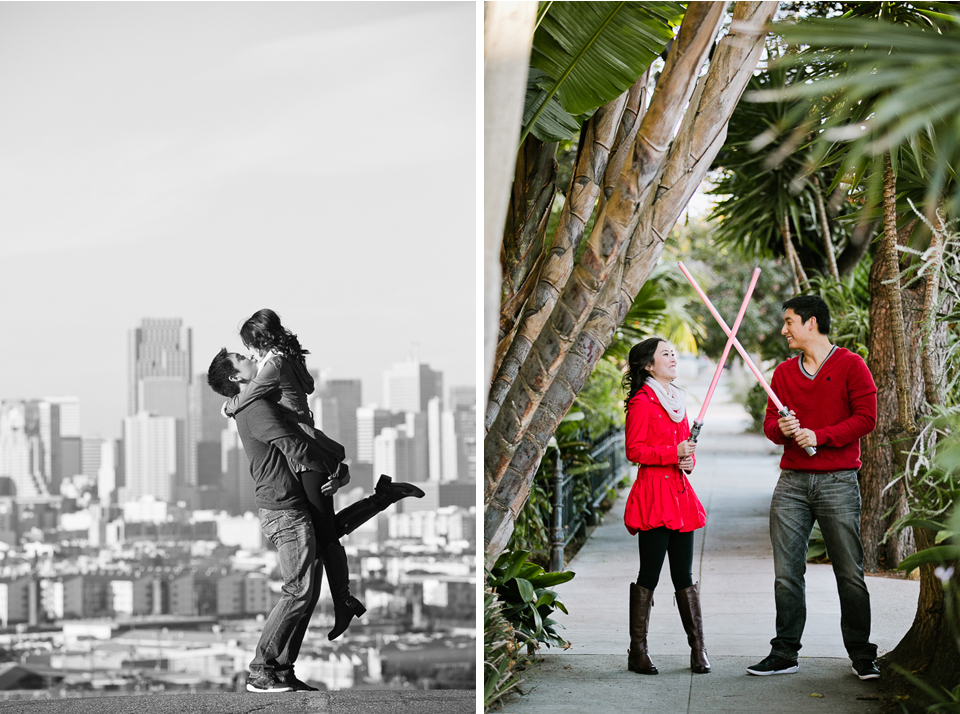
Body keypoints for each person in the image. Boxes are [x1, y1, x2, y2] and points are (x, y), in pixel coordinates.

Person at [207, 349, 421, 692]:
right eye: (240, 357)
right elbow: (292, 444)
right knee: (298, 591)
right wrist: (333, 466)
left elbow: (301, 429)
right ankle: (262, 669)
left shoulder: (258, 402)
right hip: (283, 510)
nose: (249, 356)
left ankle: (281, 670)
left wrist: (336, 465)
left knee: (308, 588)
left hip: (295, 502)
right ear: (236, 377)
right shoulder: (255, 408)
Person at [747, 295, 880, 680]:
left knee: (849, 572)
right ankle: (785, 652)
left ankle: (861, 654)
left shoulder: (852, 365)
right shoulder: (784, 374)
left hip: (838, 481)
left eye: (789, 321)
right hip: (792, 482)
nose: (784, 329)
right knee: (786, 573)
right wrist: (783, 429)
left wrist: (819, 436)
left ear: (811, 323)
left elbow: (866, 419)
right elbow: (771, 425)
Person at [622, 337, 709, 676]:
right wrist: (673, 454)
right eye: (666, 354)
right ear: (648, 365)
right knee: (650, 574)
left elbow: (686, 450)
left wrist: (688, 460)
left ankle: (698, 649)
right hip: (654, 497)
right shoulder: (643, 401)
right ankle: (637, 651)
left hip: (679, 494)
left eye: (674, 353)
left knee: (684, 575)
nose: (673, 358)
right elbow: (635, 451)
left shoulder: (677, 400)